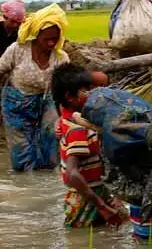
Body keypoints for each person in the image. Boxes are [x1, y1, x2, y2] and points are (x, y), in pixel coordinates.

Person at [52, 63, 127, 228]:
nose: (93, 93)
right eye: (87, 90)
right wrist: (102, 206)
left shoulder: (74, 117)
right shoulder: (77, 129)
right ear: (70, 97)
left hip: (94, 192)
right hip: (86, 199)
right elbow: (72, 173)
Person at [0, 3, 69, 171]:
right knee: (21, 152)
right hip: (16, 104)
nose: (51, 43)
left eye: (55, 38)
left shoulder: (61, 58)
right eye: (47, 39)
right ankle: (26, 180)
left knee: (51, 136)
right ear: (37, 35)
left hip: (47, 102)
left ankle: (46, 178)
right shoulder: (17, 50)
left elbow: (66, 87)